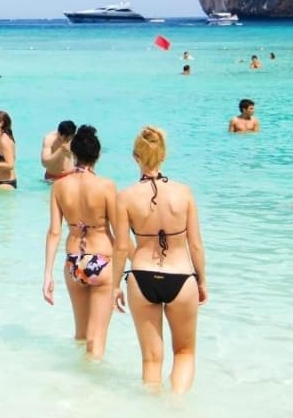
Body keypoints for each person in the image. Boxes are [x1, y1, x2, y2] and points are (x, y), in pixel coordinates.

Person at [112, 126, 207, 394]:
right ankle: (176, 408)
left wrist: (114, 286)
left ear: (135, 157)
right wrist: (202, 281)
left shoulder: (125, 197)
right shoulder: (184, 193)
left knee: (151, 359)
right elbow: (196, 244)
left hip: (141, 278)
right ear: (163, 155)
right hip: (180, 276)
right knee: (185, 352)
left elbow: (121, 247)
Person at [42, 125, 118, 360]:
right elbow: (119, 236)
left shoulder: (59, 186)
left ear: (73, 154)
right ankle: (93, 389)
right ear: (98, 155)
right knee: (97, 340)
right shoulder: (106, 186)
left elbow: (54, 232)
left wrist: (47, 275)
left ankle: (76, 387)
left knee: (82, 335)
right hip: (102, 261)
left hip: (73, 263)